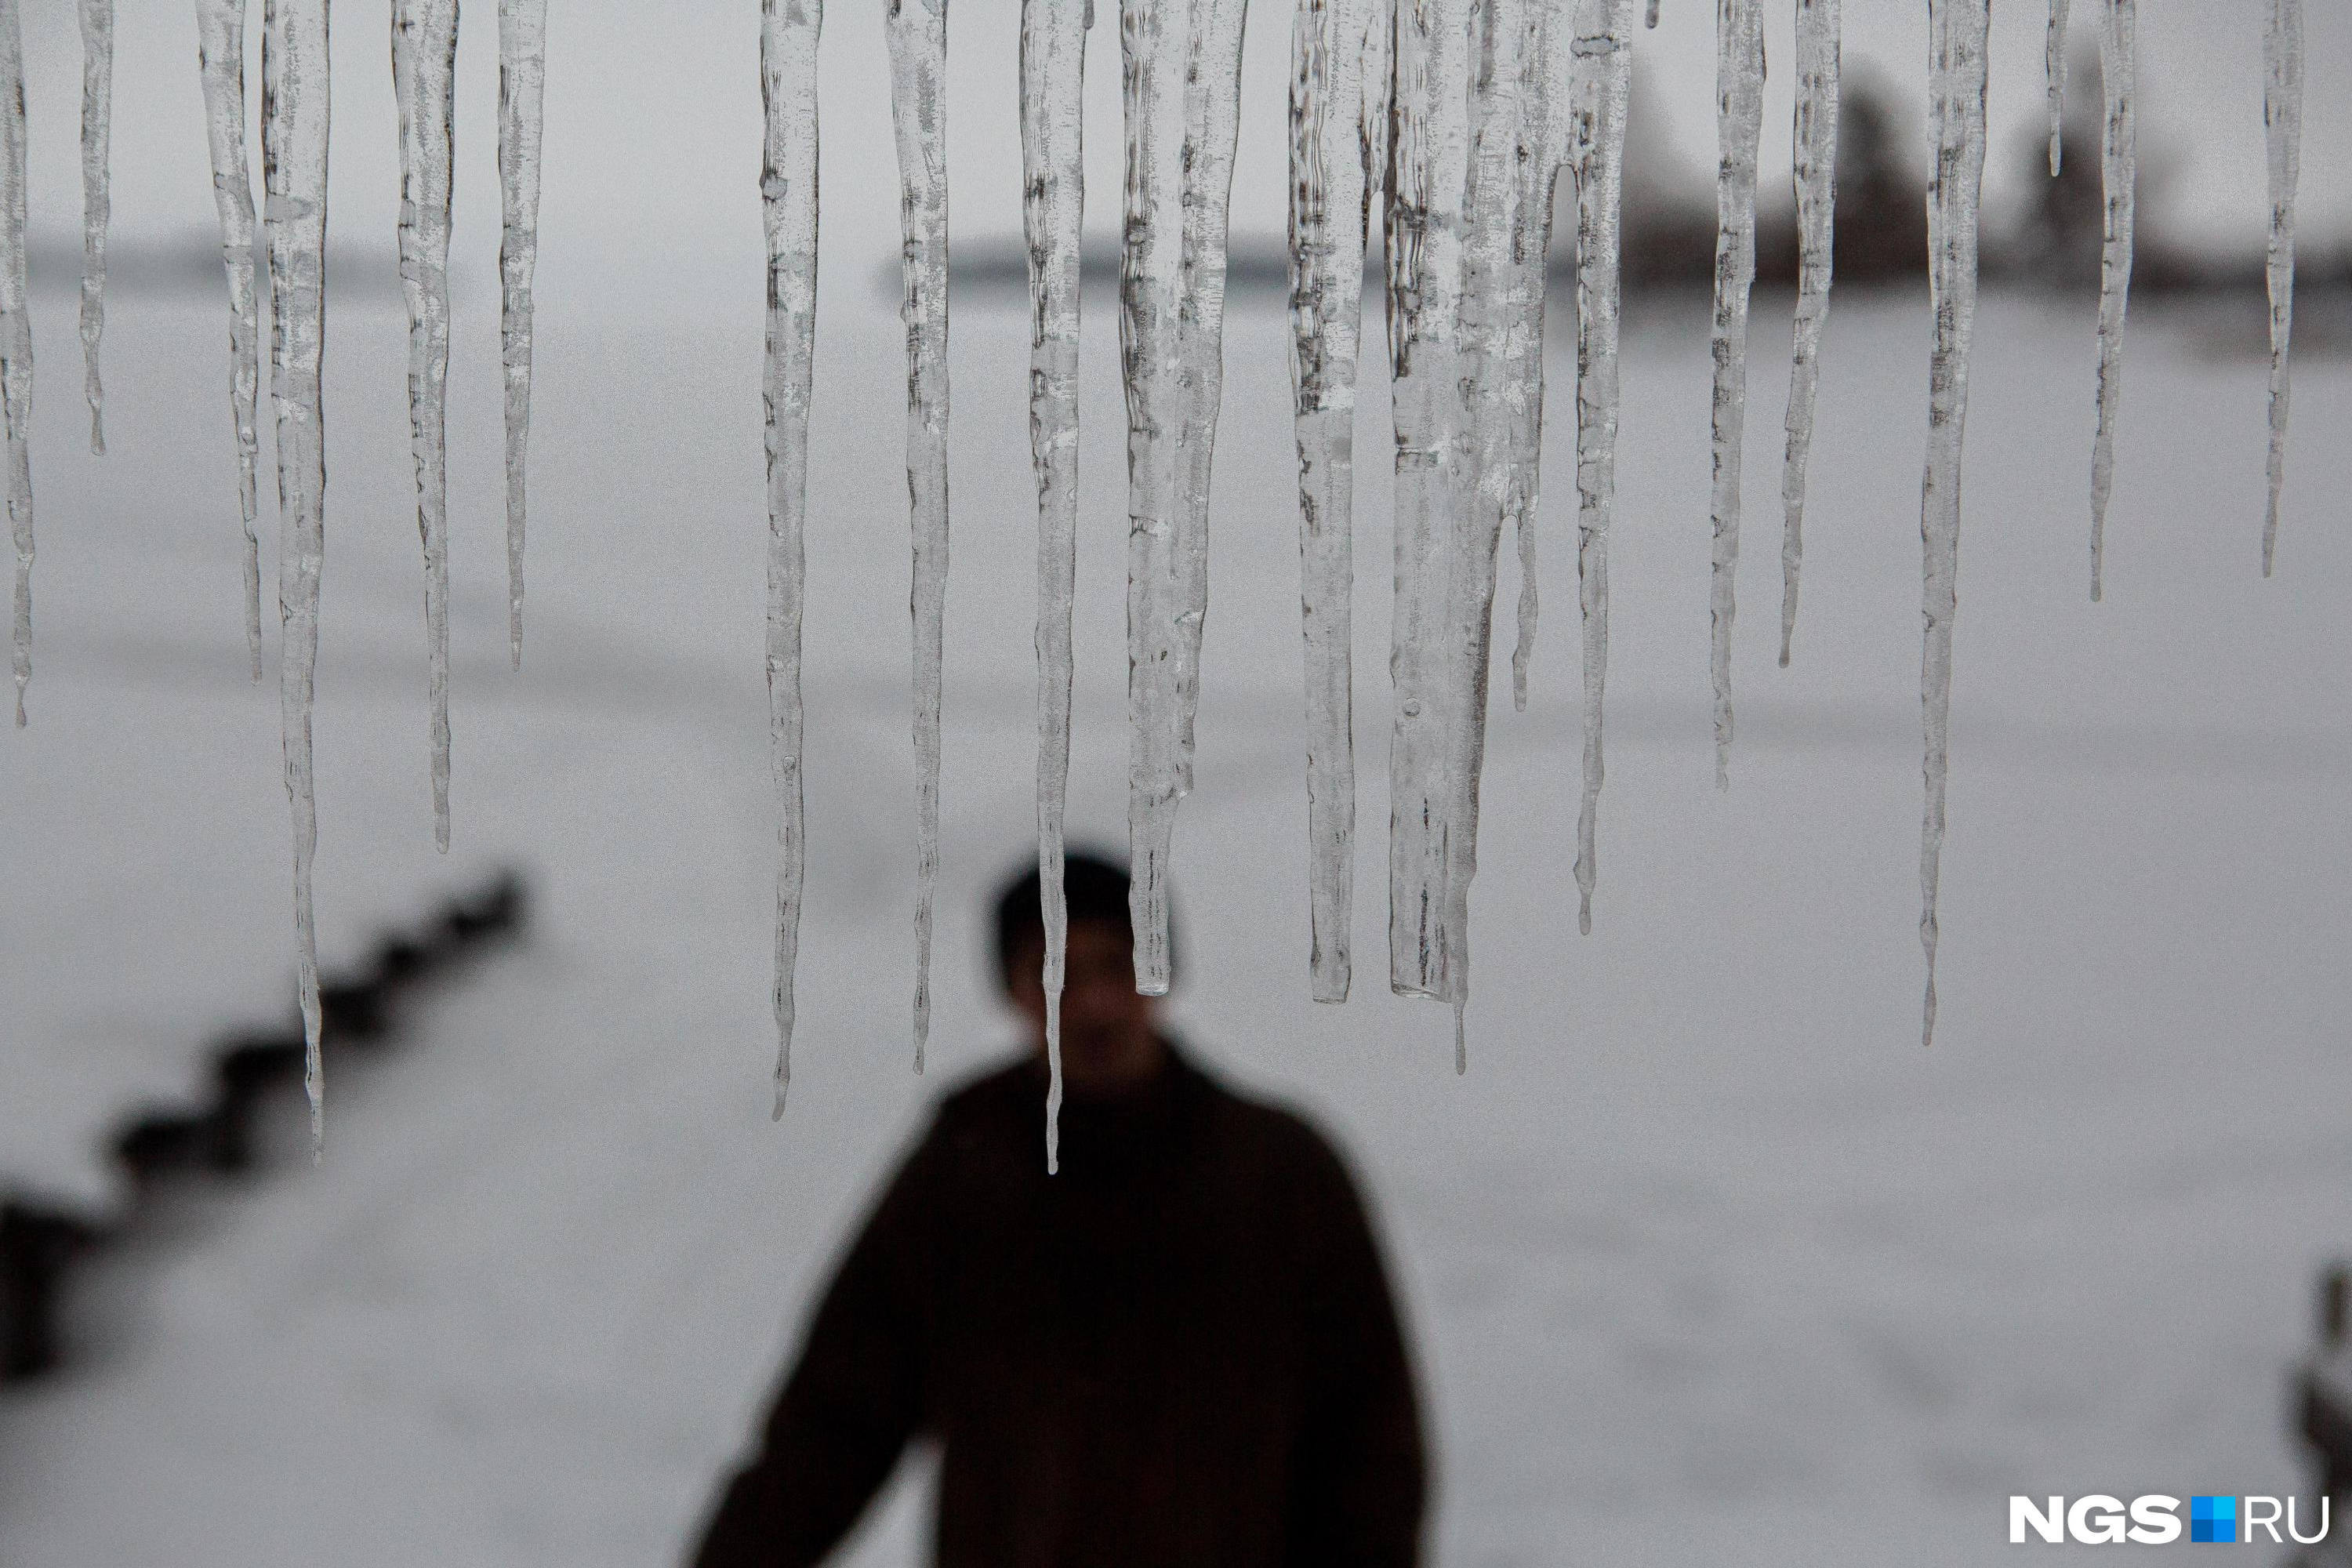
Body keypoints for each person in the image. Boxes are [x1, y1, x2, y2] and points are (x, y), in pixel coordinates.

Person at [688, 852, 1428, 1567]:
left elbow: (1369, 1441)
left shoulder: (1279, 1174)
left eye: (1120, 965)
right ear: (1011, 991)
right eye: (1057, 976)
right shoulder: (964, 1174)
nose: (1096, 1004)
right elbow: (836, 1419)